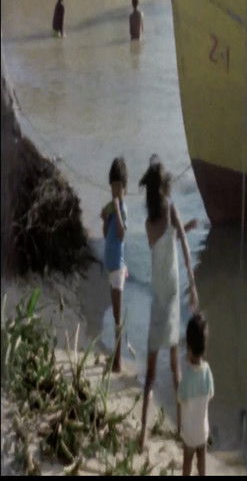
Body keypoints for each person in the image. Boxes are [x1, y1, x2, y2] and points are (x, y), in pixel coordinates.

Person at [139, 157, 199, 450]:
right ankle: (179, 429)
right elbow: (180, 247)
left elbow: (165, 242)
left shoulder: (149, 222)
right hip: (173, 294)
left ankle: (142, 434)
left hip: (157, 296)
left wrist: (182, 227)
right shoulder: (171, 209)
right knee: (175, 371)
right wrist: (193, 280)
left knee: (150, 375)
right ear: (165, 188)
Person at [178, 313, 215, 477]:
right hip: (203, 429)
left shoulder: (186, 375)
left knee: (187, 459)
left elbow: (180, 398)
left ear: (188, 346)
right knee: (202, 459)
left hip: (189, 432)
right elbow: (211, 394)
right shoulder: (207, 371)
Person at [101, 157, 128, 372]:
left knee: (118, 317)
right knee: (114, 315)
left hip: (118, 268)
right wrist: (105, 217)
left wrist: (117, 208)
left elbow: (121, 233)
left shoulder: (122, 208)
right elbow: (106, 234)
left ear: (124, 189)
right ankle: (115, 356)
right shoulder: (112, 209)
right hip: (111, 267)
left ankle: (118, 361)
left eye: (119, 186)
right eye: (113, 186)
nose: (115, 190)